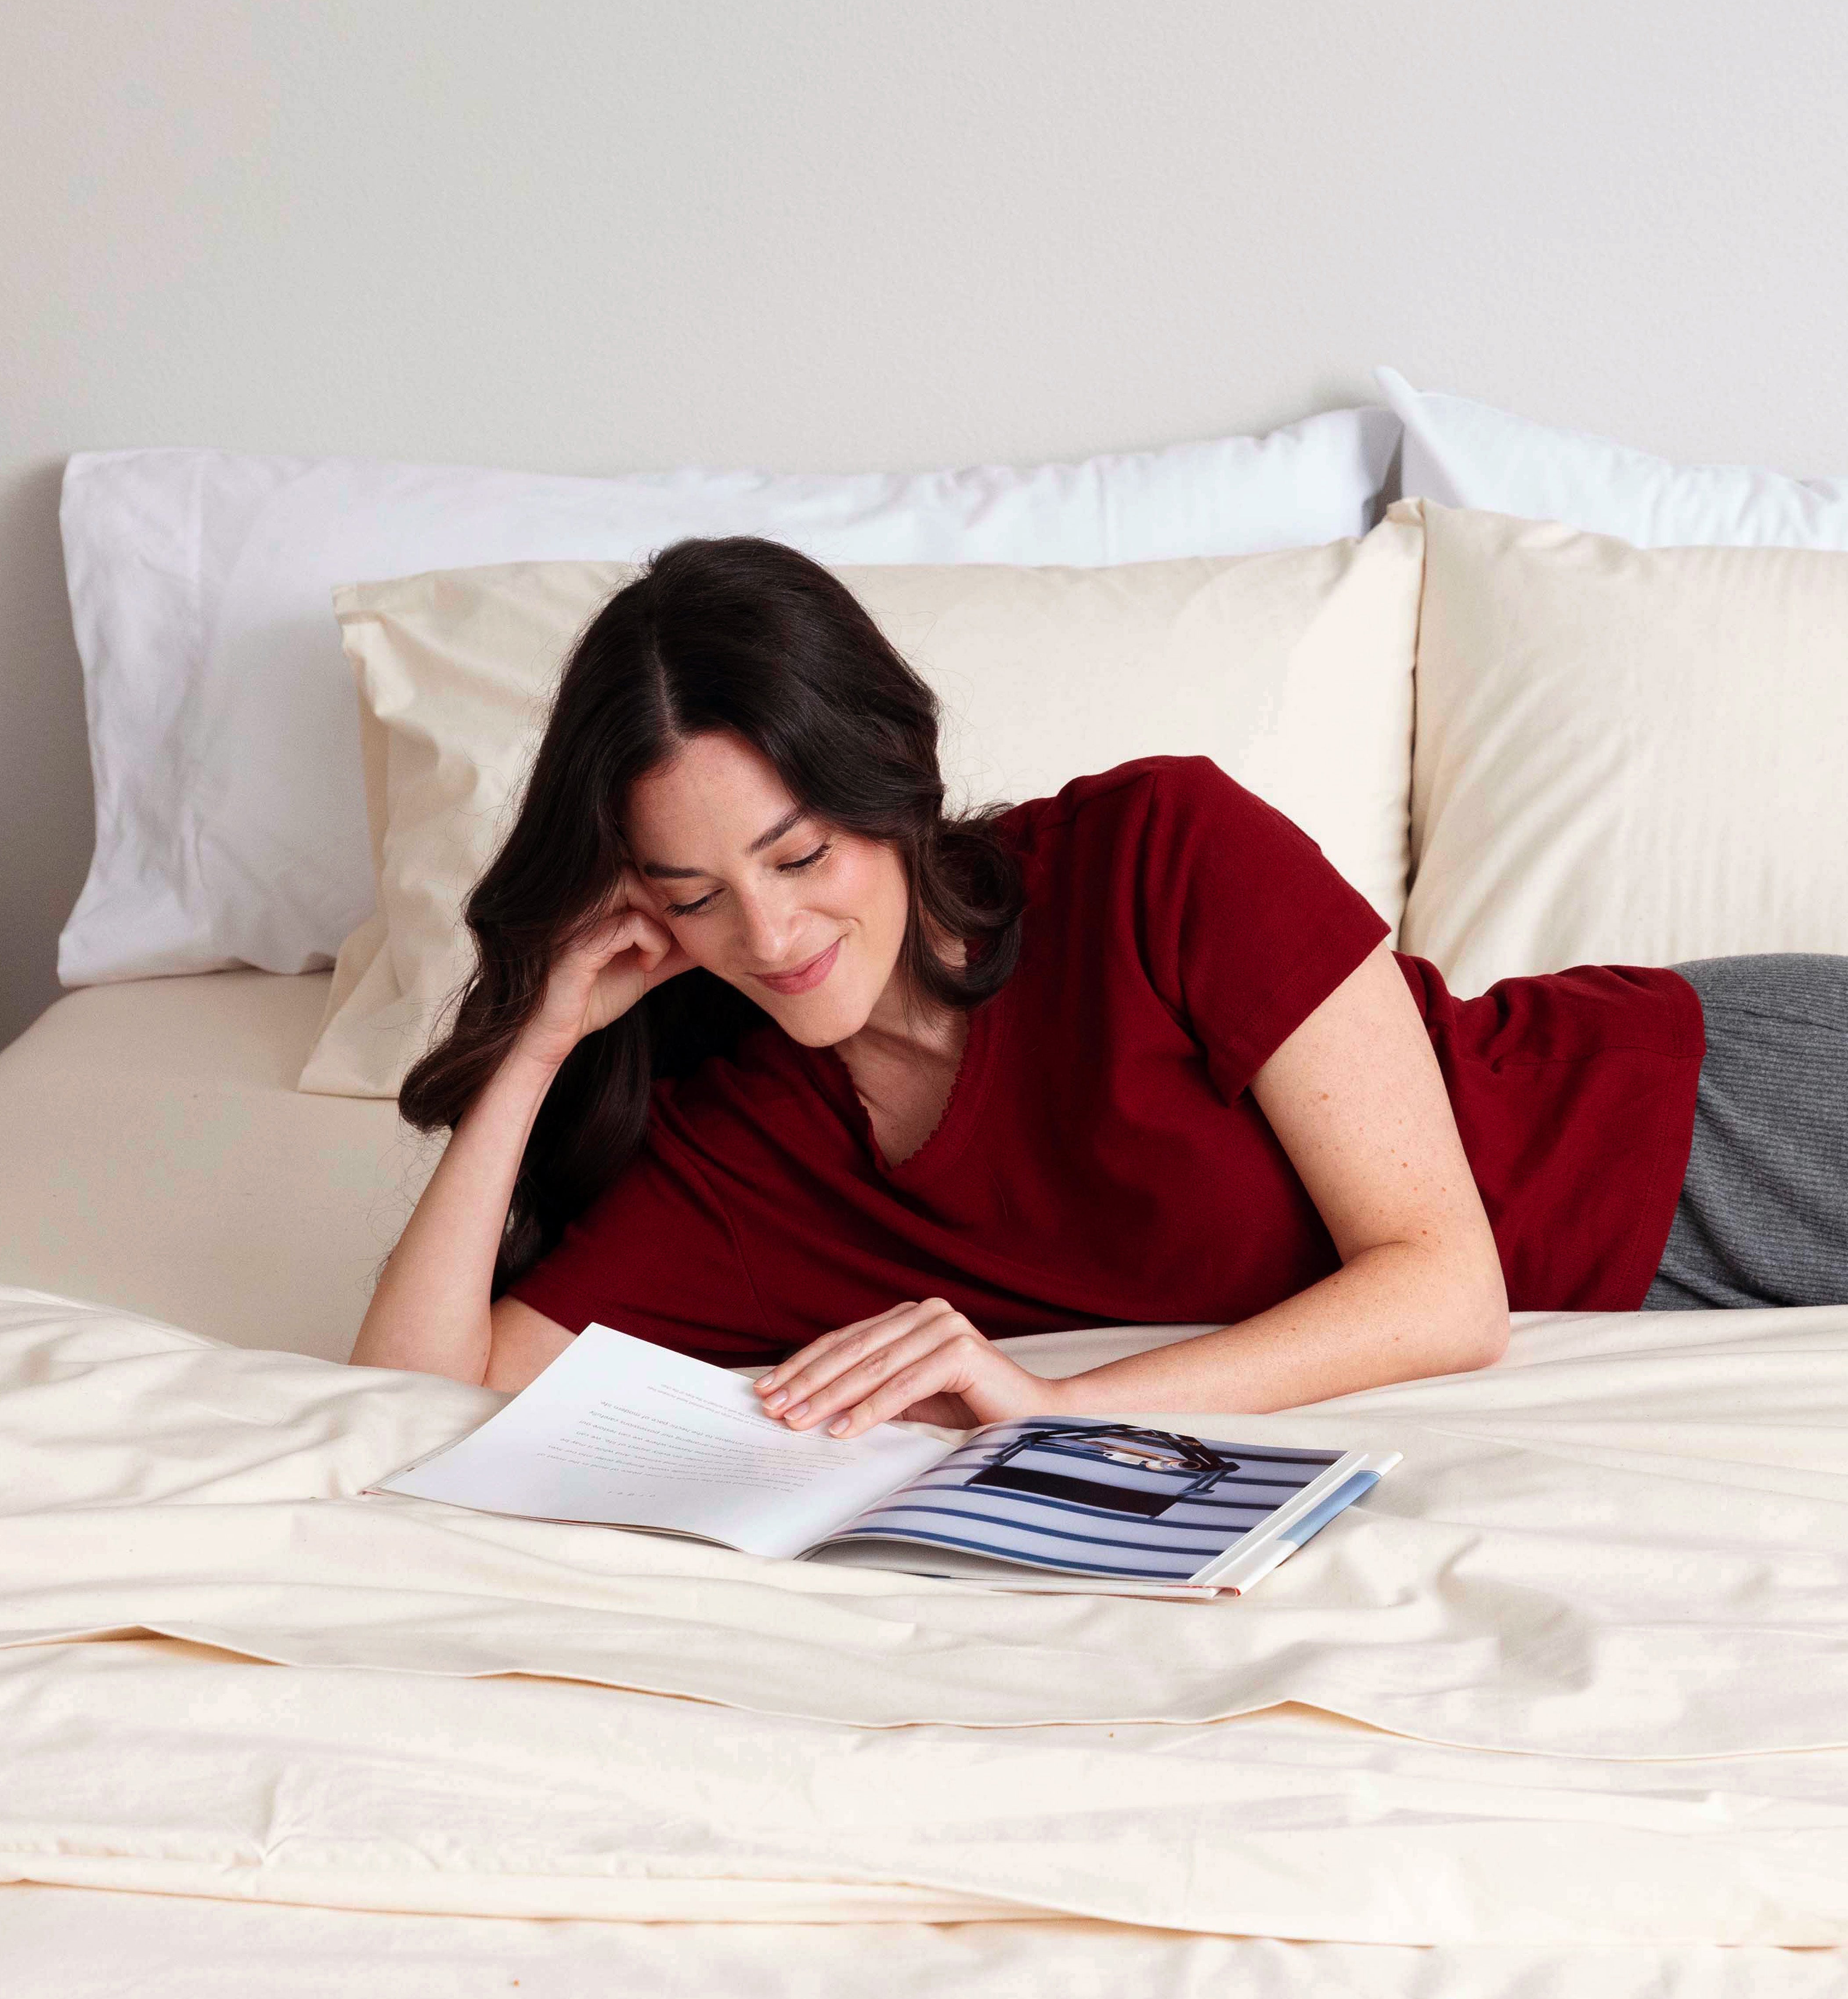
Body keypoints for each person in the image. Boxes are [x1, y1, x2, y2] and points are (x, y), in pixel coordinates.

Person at [350, 537, 1848, 1437]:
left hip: (1715, 1119)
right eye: (693, 894)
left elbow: (1446, 1288)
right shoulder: (752, 1149)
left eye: (800, 854)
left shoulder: (1153, 853)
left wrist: (1054, 1413)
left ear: (883, 781)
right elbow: (419, 1395)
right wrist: (541, 1037)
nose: (770, 931)